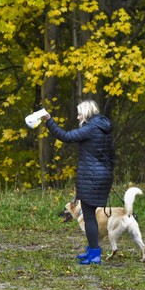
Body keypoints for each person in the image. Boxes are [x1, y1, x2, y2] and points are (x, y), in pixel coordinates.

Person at [43, 100, 114, 265]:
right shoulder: (104, 129)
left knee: (89, 216)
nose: (78, 117)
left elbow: (66, 136)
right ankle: (91, 250)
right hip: (103, 176)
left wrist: (49, 120)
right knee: (91, 215)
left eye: (80, 114)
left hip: (91, 177)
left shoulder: (90, 128)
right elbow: (112, 155)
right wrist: (109, 175)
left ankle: (94, 254)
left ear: (87, 113)